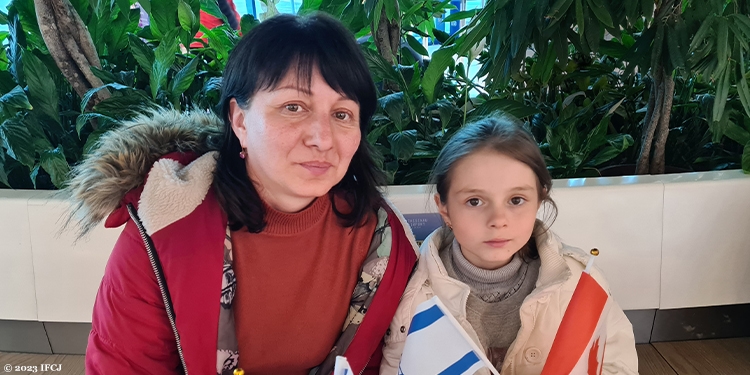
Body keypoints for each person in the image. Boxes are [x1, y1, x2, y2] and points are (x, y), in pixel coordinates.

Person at [65, 13, 418, 375]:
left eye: (342, 114)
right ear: (240, 121)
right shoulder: (166, 226)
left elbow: (385, 361)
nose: (322, 138)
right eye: (293, 107)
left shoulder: (383, 241)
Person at [380, 117, 638, 374]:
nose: (498, 220)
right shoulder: (412, 291)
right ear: (444, 209)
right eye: (474, 201)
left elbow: (615, 361)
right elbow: (395, 365)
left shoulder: (578, 282)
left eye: (516, 200)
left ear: (539, 200)